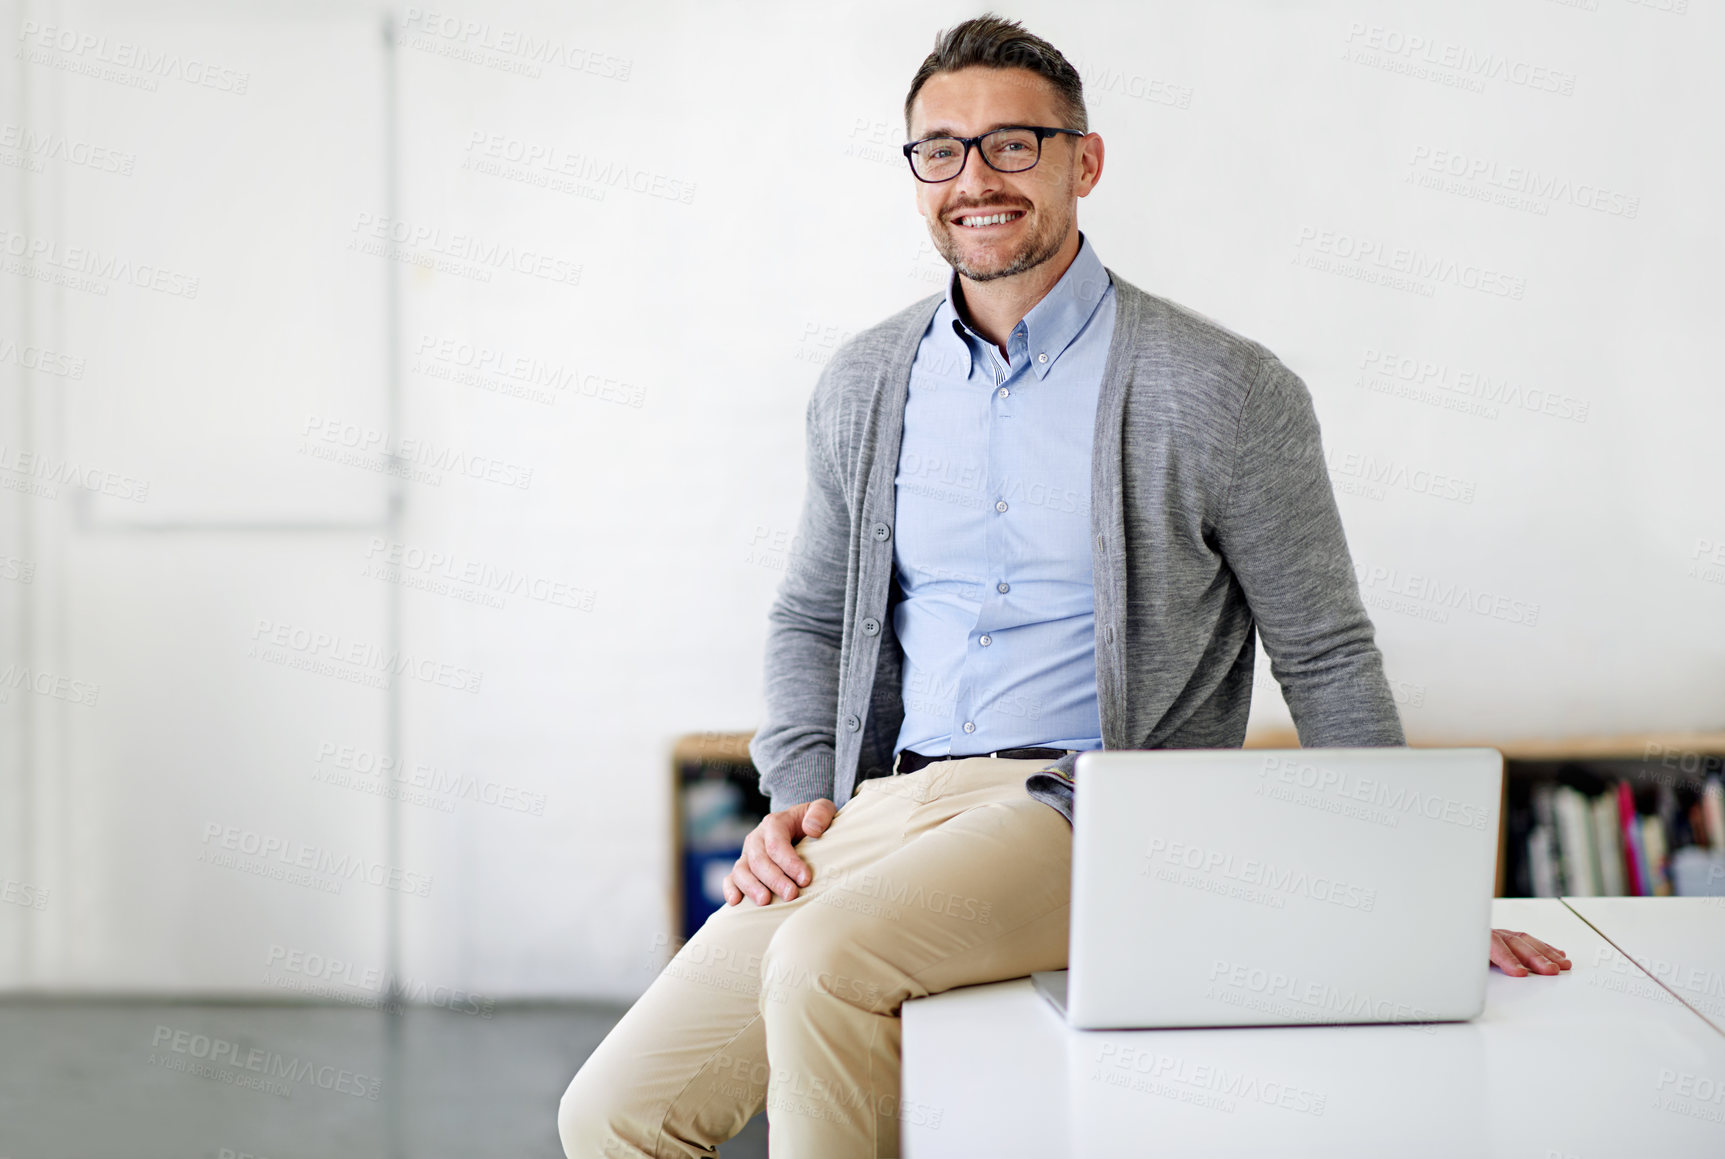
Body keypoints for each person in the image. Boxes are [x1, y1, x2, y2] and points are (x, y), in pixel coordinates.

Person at [558, 14, 1570, 1158]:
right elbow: (812, 615)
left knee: (825, 961)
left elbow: (1325, 650)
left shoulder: (1225, 390)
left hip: (1092, 807)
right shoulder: (866, 382)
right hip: (882, 805)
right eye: (939, 150)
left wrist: (1418, 900)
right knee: (612, 1114)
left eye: (1012, 145)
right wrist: (798, 791)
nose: (973, 179)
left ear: (1084, 161)